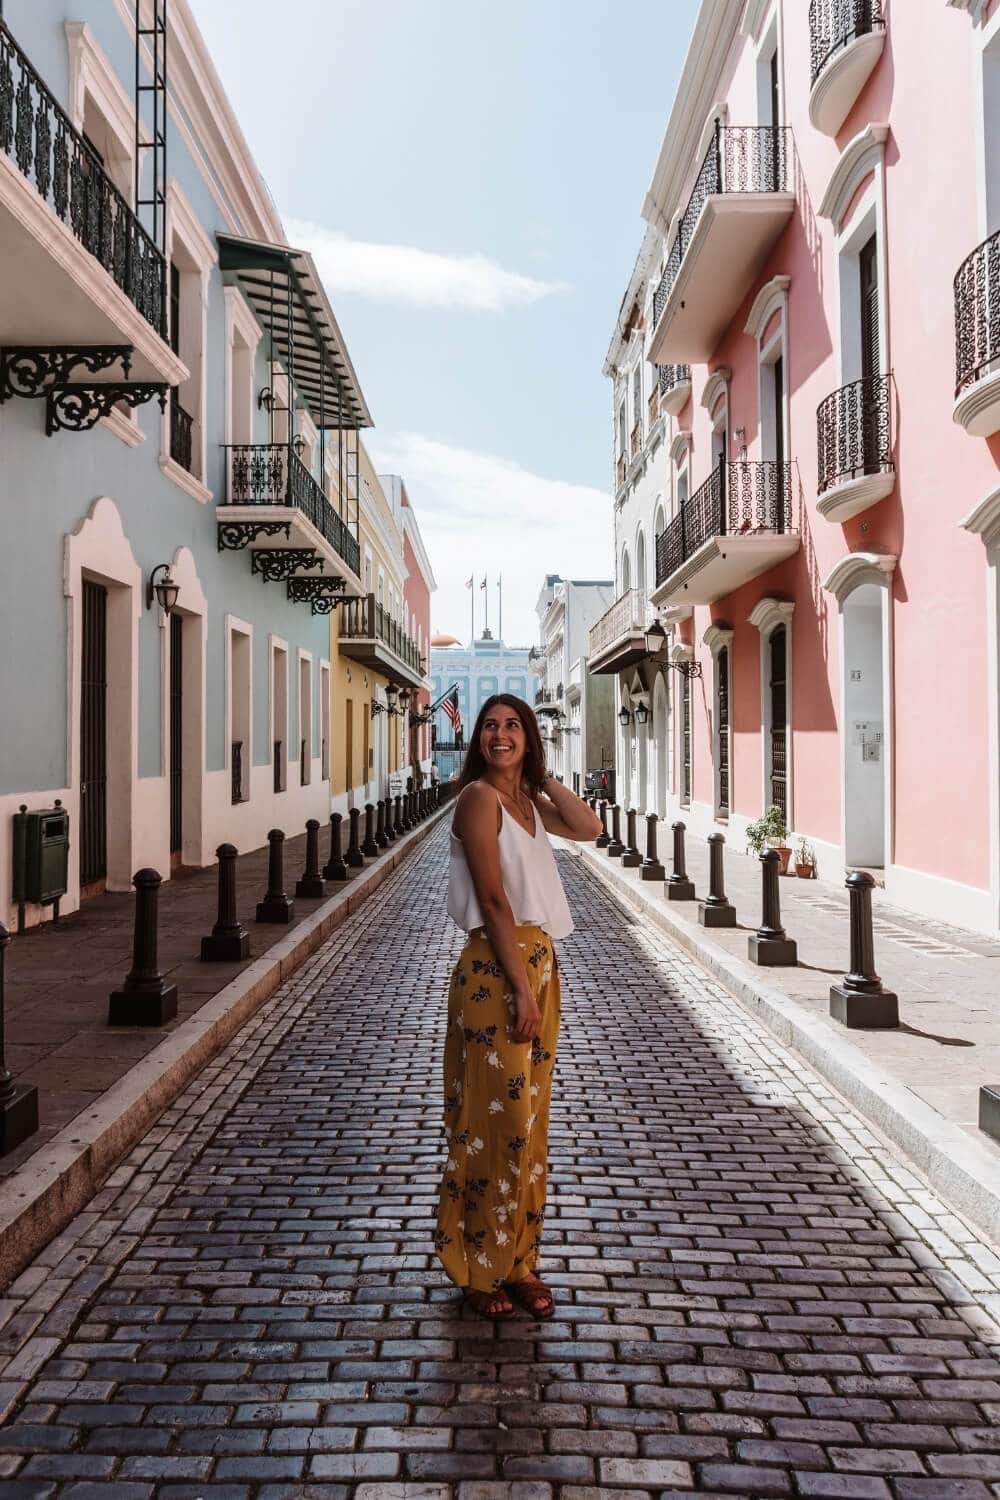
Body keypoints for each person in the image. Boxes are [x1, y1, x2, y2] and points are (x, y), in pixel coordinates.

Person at [434, 693, 602, 1319]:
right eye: (490, 727)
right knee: (492, 1124)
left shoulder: (527, 804)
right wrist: (521, 990)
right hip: (495, 971)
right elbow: (494, 898)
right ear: (477, 739)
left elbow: (590, 828)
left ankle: (520, 1263)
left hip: (539, 963)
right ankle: (479, 1266)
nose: (500, 735)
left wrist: (542, 776)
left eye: (513, 727)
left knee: (530, 1126)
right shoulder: (479, 800)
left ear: (529, 738)